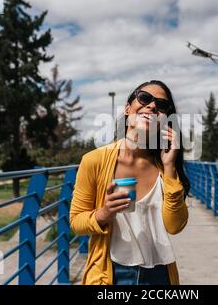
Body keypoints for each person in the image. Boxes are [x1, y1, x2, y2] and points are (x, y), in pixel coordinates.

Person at [70, 80, 190, 285]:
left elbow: (174, 226)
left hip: (160, 275)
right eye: (144, 98)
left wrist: (170, 167)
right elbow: (76, 222)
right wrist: (105, 213)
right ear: (128, 108)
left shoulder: (164, 166)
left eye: (161, 106)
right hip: (112, 274)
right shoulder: (94, 161)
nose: (152, 106)